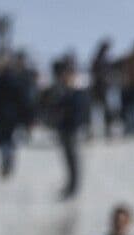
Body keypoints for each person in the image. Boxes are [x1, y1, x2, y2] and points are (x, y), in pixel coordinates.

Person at [0, 52, 33, 178]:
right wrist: (27, 117)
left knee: (2, 140)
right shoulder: (17, 80)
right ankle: (9, 163)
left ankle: (5, 164)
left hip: (1, 115)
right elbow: (24, 100)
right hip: (14, 116)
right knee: (10, 139)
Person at [51, 60, 91, 199]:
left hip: (72, 129)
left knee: (73, 159)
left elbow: (82, 111)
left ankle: (73, 187)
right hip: (64, 128)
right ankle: (70, 185)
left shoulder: (78, 91)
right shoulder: (62, 91)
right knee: (67, 159)